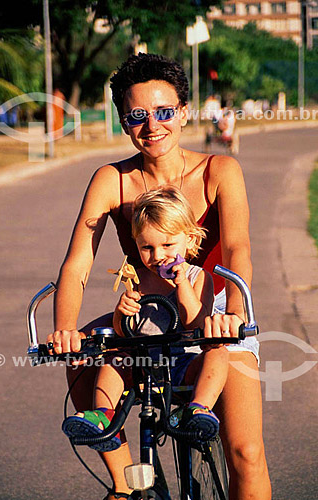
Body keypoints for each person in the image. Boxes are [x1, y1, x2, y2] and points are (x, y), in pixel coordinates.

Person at [47, 53, 271, 500]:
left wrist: (235, 314)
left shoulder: (219, 171)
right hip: (147, 309)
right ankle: (125, 482)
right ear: (123, 120)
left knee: (245, 450)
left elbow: (238, 248)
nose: (152, 126)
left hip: (215, 309)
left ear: (184, 112)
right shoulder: (112, 179)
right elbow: (78, 263)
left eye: (164, 112)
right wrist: (64, 330)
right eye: (137, 115)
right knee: (80, 359)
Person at [62, 187, 228, 464]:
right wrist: (122, 311)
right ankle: (104, 415)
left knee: (218, 352)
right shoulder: (136, 278)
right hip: (141, 363)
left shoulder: (199, 278)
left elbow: (196, 324)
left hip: (185, 362)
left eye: (167, 246)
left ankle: (199, 409)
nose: (157, 256)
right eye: (147, 248)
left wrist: (182, 284)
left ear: (189, 240)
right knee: (114, 359)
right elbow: (122, 330)